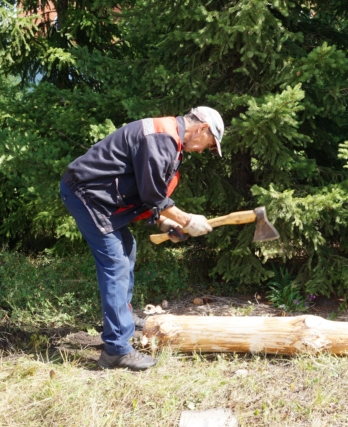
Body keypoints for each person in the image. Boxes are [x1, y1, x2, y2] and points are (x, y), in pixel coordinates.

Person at [59, 107, 224, 371]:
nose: (204, 150)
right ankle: (116, 350)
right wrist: (187, 219)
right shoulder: (161, 137)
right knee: (115, 264)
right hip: (87, 194)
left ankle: (122, 320)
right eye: (210, 144)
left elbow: (144, 188)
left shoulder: (170, 141)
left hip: (101, 197)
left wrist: (166, 222)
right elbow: (153, 195)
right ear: (203, 128)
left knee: (127, 249)